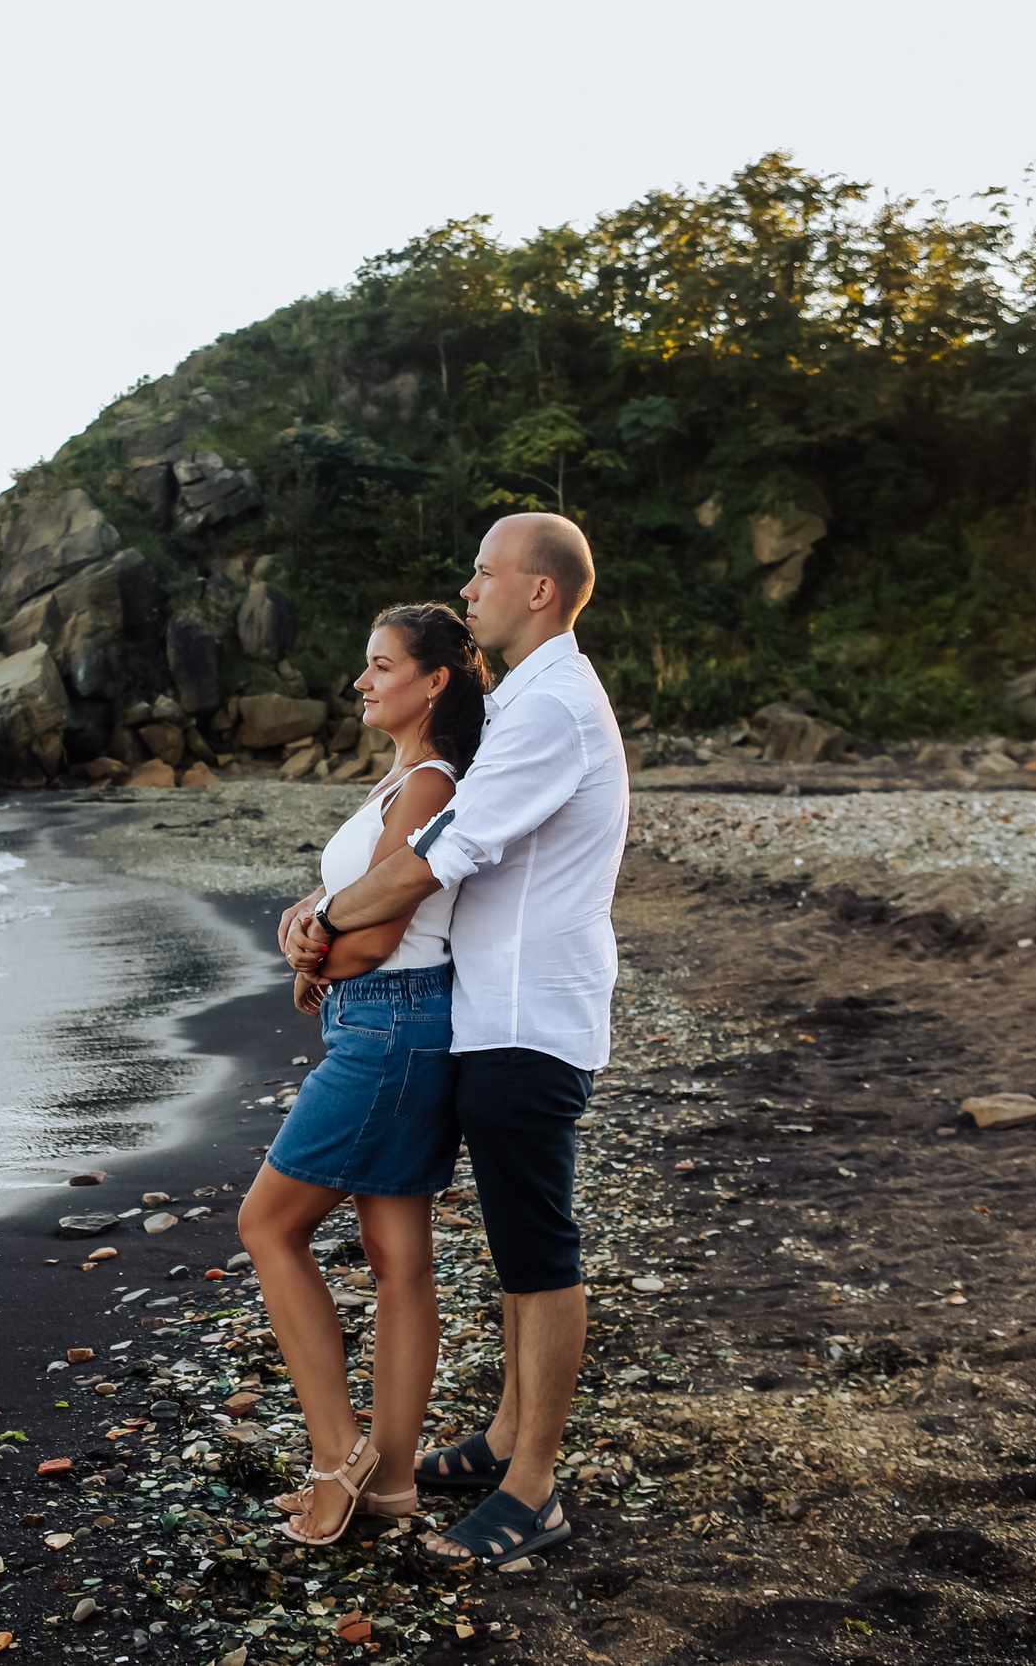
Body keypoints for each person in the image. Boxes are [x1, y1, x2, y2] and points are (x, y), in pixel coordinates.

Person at [281, 513, 627, 1569]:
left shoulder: (554, 708)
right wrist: (326, 907)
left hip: (527, 1015)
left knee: (537, 1255)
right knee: (512, 1251)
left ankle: (532, 1488)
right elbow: (428, 852)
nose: (468, 589)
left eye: (486, 573)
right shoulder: (526, 701)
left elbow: (442, 856)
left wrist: (325, 922)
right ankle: (502, 1441)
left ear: (539, 592)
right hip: (490, 1010)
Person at [236, 603, 491, 1546]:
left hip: (388, 1027)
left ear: (433, 683)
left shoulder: (428, 785)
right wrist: (310, 922)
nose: (361, 681)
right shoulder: (403, 783)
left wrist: (311, 958)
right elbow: (346, 902)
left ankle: (337, 1452)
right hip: (399, 1023)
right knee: (398, 1259)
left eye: (381, 665)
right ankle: (389, 1484)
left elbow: (377, 934)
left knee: (268, 1222)